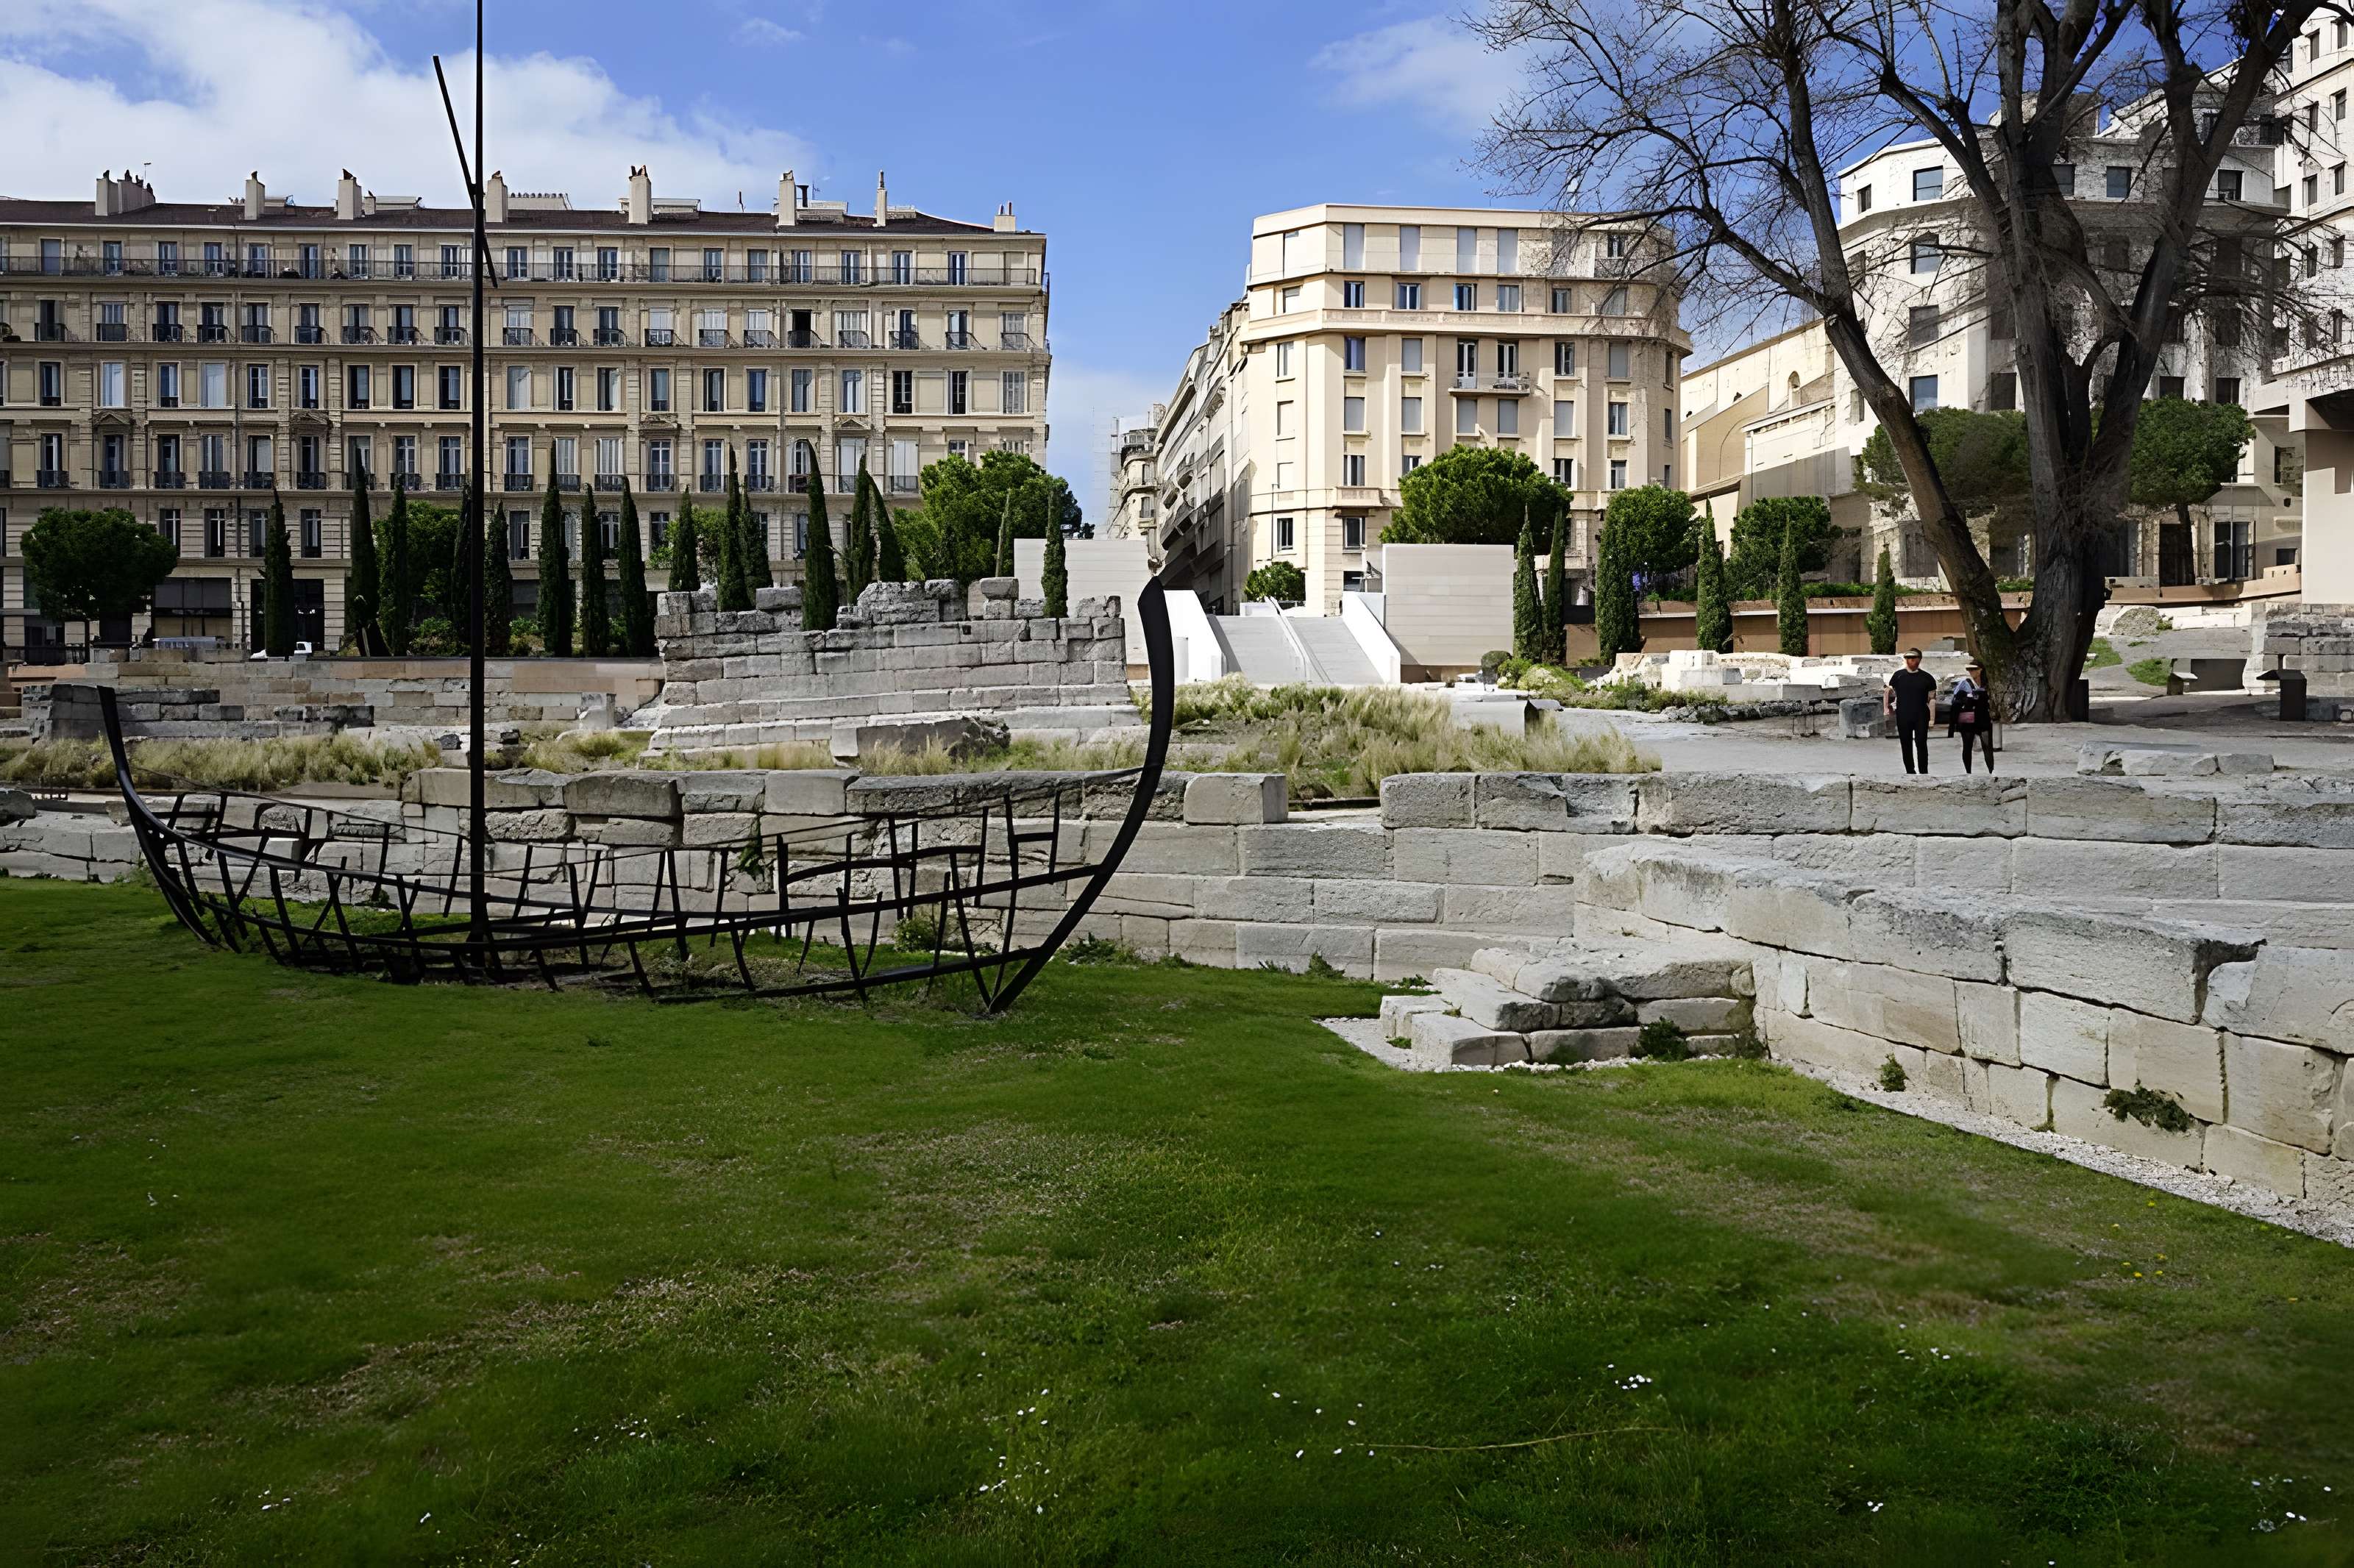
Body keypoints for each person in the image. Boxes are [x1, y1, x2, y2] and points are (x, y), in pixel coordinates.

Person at [1885, 647, 1938, 774]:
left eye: (1913, 658)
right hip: (1903, 715)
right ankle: (1910, 771)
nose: (1910, 661)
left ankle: (1924, 772)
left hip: (1921, 715)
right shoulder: (1898, 676)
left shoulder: (1928, 678)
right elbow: (1891, 695)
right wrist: (1888, 711)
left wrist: (1932, 719)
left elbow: (1932, 700)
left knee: (1921, 742)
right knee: (1905, 743)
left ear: (1919, 659)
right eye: (1908, 658)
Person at [1949, 660, 1996, 774]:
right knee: (1967, 746)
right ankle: (1968, 773)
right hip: (1967, 718)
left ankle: (1991, 772)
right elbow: (1955, 702)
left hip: (1983, 717)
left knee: (1987, 746)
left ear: (1980, 670)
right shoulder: (1964, 684)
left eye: (1973, 669)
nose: (1971, 671)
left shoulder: (1988, 684)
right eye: (1969, 669)